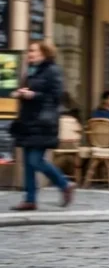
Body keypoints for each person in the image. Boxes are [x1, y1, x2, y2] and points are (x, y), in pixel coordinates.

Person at [10, 42, 75, 210]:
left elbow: (56, 96)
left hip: (44, 122)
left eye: (33, 50)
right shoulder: (31, 70)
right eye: (29, 51)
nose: (30, 53)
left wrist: (34, 95)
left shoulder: (53, 70)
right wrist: (20, 93)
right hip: (28, 122)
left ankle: (64, 184)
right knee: (28, 163)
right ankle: (30, 199)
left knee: (35, 160)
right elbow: (28, 90)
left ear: (43, 53)